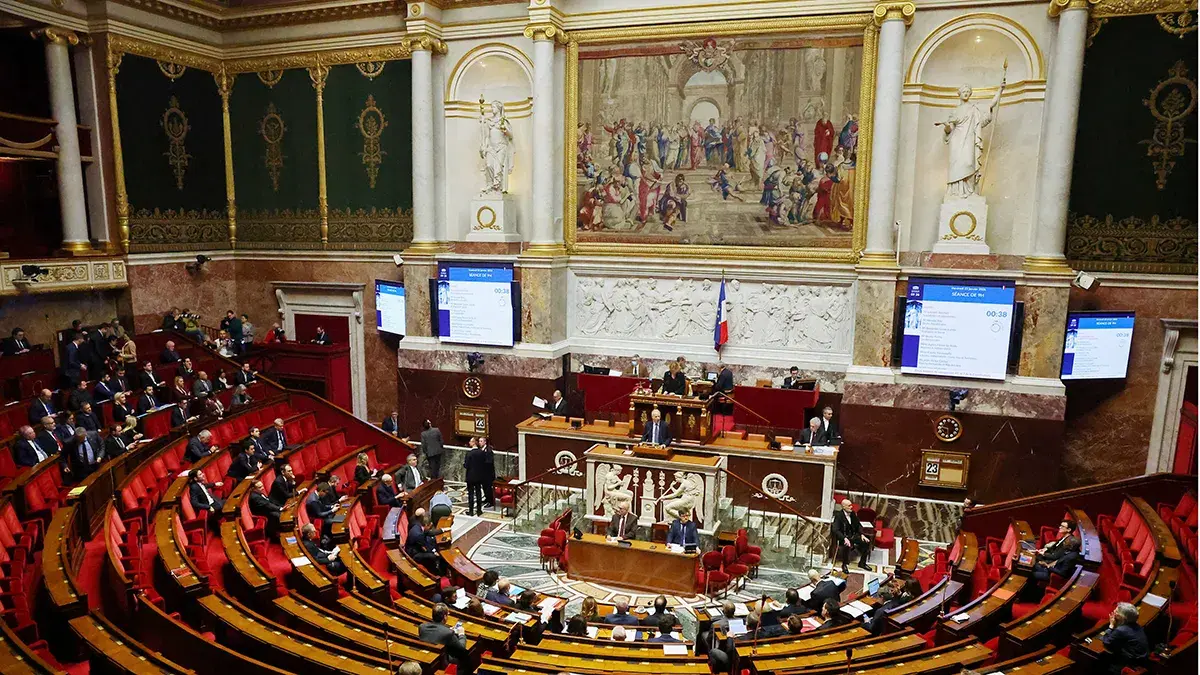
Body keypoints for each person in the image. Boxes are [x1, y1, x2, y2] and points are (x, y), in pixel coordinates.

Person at [418, 603, 470, 673]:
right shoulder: (448, 633)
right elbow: (461, 649)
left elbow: (436, 632)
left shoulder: (422, 627)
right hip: (442, 662)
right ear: (445, 617)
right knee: (466, 657)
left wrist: (448, 629)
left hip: (426, 657)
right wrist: (461, 634)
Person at [1101, 602, 1149, 674]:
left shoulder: (1121, 630)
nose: (1114, 612)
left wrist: (1111, 626)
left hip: (1129, 664)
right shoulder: (1137, 626)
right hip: (1142, 661)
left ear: (1122, 617)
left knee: (1102, 660)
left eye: (1116, 612)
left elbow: (1106, 642)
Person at [832, 499, 871, 573]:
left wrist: (862, 534)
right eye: (849, 505)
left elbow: (858, 525)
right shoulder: (839, 516)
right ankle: (844, 564)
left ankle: (862, 563)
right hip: (844, 537)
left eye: (851, 505)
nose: (851, 507)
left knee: (866, 542)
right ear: (843, 507)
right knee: (847, 545)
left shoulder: (852, 513)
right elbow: (835, 529)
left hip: (853, 536)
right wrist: (844, 538)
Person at [406, 508, 444, 574]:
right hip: (414, 554)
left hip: (417, 546)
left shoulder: (417, 523)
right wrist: (434, 551)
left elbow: (427, 532)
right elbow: (425, 545)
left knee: (433, 540)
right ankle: (436, 573)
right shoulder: (418, 534)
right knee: (433, 556)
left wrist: (442, 530)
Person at [464, 440, 488, 517]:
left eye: (470, 441)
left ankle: (471, 511)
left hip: (470, 477)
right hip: (479, 476)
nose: (469, 443)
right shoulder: (482, 453)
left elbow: (466, 465)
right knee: (478, 493)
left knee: (471, 494)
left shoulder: (469, 454)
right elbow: (484, 463)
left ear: (474, 443)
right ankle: (479, 510)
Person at [480, 436, 496, 508]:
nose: (480, 443)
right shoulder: (481, 450)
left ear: (485, 442)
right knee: (484, 487)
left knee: (488, 488)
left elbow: (489, 462)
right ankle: (487, 498)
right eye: (479, 441)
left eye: (481, 441)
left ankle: (491, 501)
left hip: (488, 474)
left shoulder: (489, 450)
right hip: (483, 473)